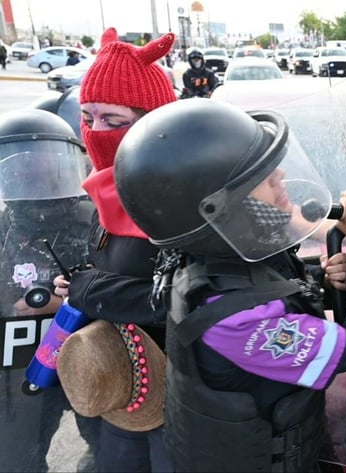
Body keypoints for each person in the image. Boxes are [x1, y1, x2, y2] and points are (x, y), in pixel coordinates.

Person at [109, 97, 346, 471]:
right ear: (218, 209)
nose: (280, 178)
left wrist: (324, 279)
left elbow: (275, 289)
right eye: (262, 177)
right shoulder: (237, 319)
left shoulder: (217, 257)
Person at [52, 27, 177, 472]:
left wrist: (90, 289)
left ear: (152, 120)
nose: (95, 131)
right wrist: (78, 280)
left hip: (177, 390)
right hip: (122, 382)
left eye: (112, 120)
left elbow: (179, 296)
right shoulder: (107, 189)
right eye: (88, 117)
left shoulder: (181, 199)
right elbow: (111, 266)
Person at [0, 108, 100, 472]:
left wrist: (63, 302)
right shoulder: (3, 227)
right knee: (17, 455)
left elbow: (122, 289)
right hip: (20, 366)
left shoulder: (94, 220)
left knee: (104, 447)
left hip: (89, 357)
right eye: (23, 168)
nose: (35, 177)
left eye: (45, 165)